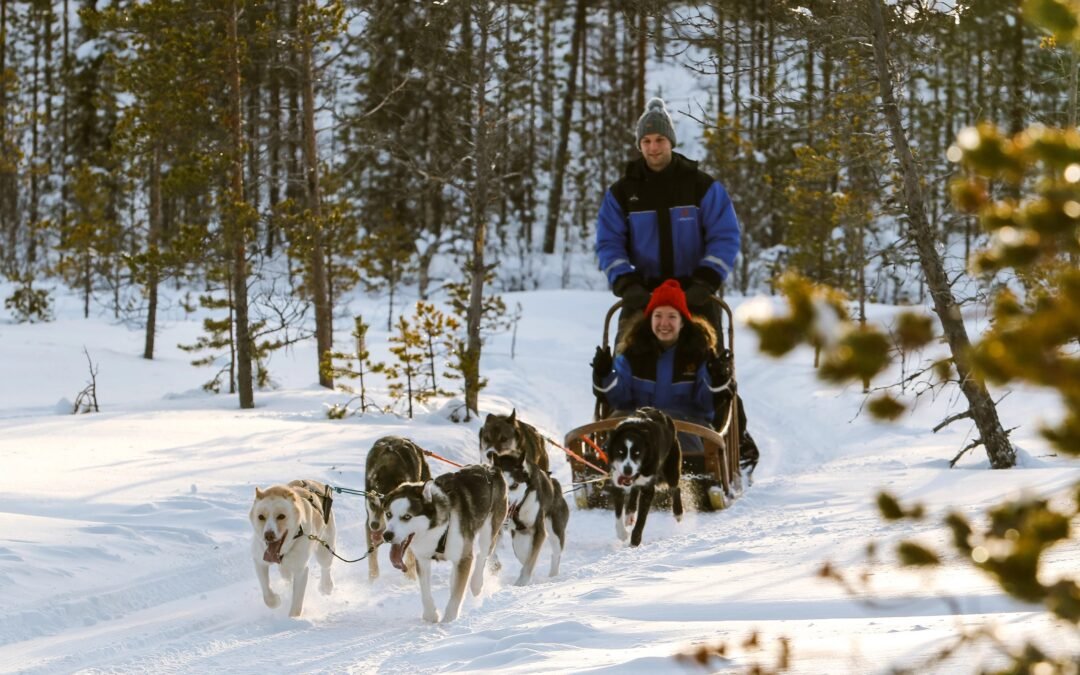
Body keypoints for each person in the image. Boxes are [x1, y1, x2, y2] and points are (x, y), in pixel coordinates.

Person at [595, 97, 741, 334]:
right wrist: (625, 281)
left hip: (695, 292)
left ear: (671, 142)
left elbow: (724, 236)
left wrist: (707, 279)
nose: (653, 147)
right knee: (628, 359)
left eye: (660, 140)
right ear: (639, 144)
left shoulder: (701, 186)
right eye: (646, 141)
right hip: (643, 294)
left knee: (710, 362)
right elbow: (608, 242)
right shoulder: (622, 193)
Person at [591, 279, 759, 475]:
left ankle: (693, 478)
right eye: (658, 316)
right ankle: (604, 472)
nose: (664, 323)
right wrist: (604, 375)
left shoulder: (699, 353)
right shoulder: (633, 352)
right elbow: (619, 398)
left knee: (677, 429)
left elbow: (706, 404)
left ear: (682, 322)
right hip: (637, 422)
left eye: (672, 316)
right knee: (623, 425)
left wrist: (718, 379)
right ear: (649, 319)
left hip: (687, 424)